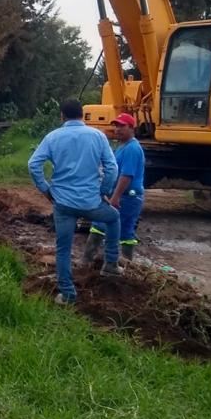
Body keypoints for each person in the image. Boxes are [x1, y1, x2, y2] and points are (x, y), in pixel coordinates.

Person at [28, 99, 121, 305]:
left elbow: (33, 164)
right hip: (91, 202)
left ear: (62, 116)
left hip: (63, 203)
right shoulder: (98, 136)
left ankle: (68, 294)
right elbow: (112, 168)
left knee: (63, 249)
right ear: (82, 115)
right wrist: (104, 191)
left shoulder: (53, 137)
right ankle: (111, 263)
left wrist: (45, 190)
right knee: (113, 218)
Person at [82, 113, 145, 263]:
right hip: (122, 195)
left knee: (116, 229)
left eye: (121, 126)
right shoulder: (123, 146)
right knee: (107, 226)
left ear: (131, 127)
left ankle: (118, 263)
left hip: (127, 197)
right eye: (116, 126)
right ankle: (91, 261)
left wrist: (115, 196)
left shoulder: (132, 149)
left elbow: (126, 175)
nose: (117, 129)